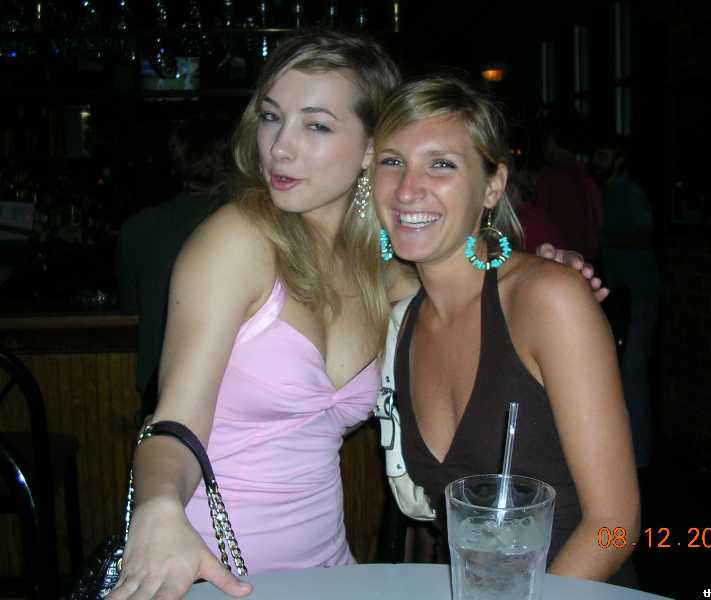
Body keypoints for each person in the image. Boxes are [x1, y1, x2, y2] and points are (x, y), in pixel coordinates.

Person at [110, 31, 605, 600]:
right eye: (271, 117)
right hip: (212, 567)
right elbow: (174, 421)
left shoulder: (382, 271)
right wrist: (157, 506)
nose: (280, 148)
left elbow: (476, 279)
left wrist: (546, 274)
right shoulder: (236, 240)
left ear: (372, 149)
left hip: (332, 571)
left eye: (316, 125)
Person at [371, 75, 639, 583]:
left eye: (441, 164)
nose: (407, 188)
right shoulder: (400, 322)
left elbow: (616, 528)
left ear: (492, 185)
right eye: (392, 161)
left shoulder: (546, 299)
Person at [116, 113, 234, 417]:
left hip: (158, 390)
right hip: (230, 390)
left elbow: (129, 308)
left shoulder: (137, 227)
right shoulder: (250, 225)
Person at [591, 135, 660, 470]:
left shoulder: (629, 193)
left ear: (618, 159)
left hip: (637, 298)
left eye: (603, 154)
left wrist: (601, 237)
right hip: (620, 298)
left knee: (632, 379)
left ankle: (637, 461)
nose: (596, 161)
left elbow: (644, 234)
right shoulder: (605, 192)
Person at [533, 110, 603, 262]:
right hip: (584, 261)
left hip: (556, 260)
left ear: (552, 141)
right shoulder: (586, 175)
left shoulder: (551, 177)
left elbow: (538, 224)